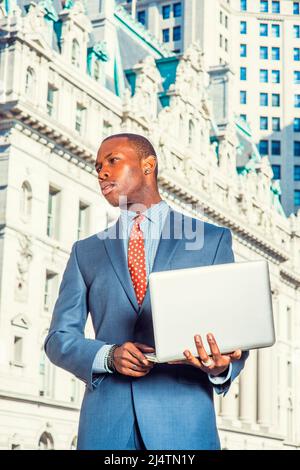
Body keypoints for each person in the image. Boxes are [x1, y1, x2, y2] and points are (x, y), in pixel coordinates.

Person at [44, 133, 248, 450]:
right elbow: (58, 339)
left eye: (112, 161)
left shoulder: (210, 240)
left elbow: (235, 338)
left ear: (148, 165)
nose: (102, 172)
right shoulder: (86, 252)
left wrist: (221, 366)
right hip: (105, 429)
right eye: (97, 166)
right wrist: (108, 356)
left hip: (184, 429)